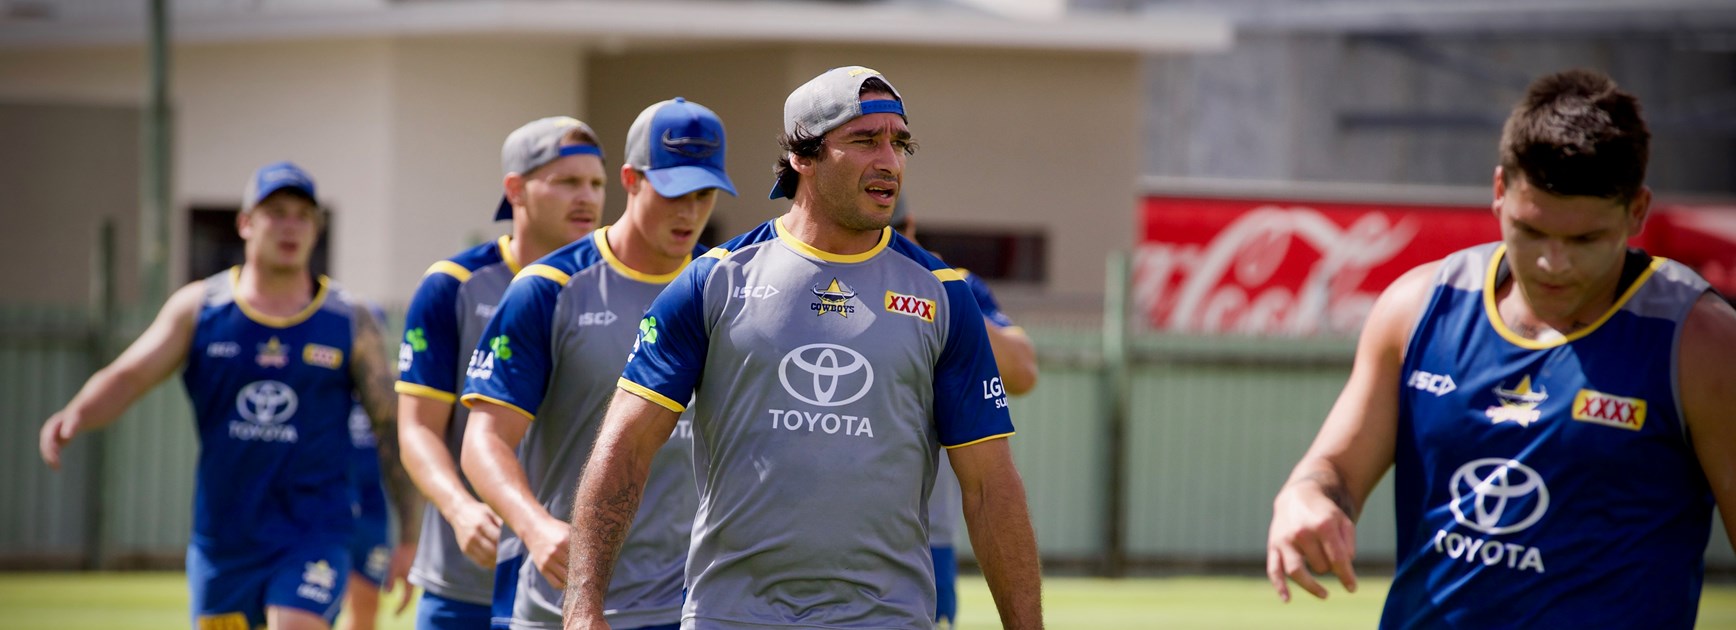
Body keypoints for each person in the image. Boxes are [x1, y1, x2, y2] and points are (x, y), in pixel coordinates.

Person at [565, 66, 1044, 630]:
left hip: (885, 618)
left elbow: (989, 486)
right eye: (865, 140)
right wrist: (582, 608)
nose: (889, 161)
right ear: (803, 155)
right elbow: (625, 446)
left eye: (900, 143)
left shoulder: (944, 295)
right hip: (730, 617)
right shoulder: (714, 281)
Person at [1266, 68, 1736, 628]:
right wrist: (1305, 497)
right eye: (1531, 231)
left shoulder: (1699, 343)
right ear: (1498, 193)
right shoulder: (1419, 308)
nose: (1552, 263)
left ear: (1637, 210)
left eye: (1584, 239)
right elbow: (1335, 471)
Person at [37, 161, 420, 630]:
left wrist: (410, 535)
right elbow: (130, 376)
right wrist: (77, 412)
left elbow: (390, 426)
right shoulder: (200, 308)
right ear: (245, 223)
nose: (290, 226)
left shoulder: (349, 319)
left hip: (313, 532)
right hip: (224, 540)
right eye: (275, 213)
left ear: (317, 229)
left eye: (303, 216)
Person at [460, 97, 733, 630]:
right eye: (673, 192)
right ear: (631, 180)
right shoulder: (550, 288)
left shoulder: (725, 287)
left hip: (694, 604)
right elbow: (483, 440)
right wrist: (534, 527)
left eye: (704, 195)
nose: (689, 212)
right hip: (565, 599)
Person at [396, 117, 606, 630]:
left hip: (571, 583)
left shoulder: (614, 285)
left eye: (596, 183)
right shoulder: (454, 285)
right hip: (465, 581)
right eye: (567, 181)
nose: (587, 197)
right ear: (515, 189)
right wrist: (460, 509)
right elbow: (417, 429)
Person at [891, 196, 1038, 629]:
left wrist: (940, 293)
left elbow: (1023, 371)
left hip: (926, 533)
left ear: (910, 224)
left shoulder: (953, 285)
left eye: (895, 231)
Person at [338, 307, 418, 630]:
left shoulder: (393, 393)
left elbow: (403, 459)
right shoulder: (326, 387)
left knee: (366, 607)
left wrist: (409, 535)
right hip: (325, 508)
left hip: (372, 512)